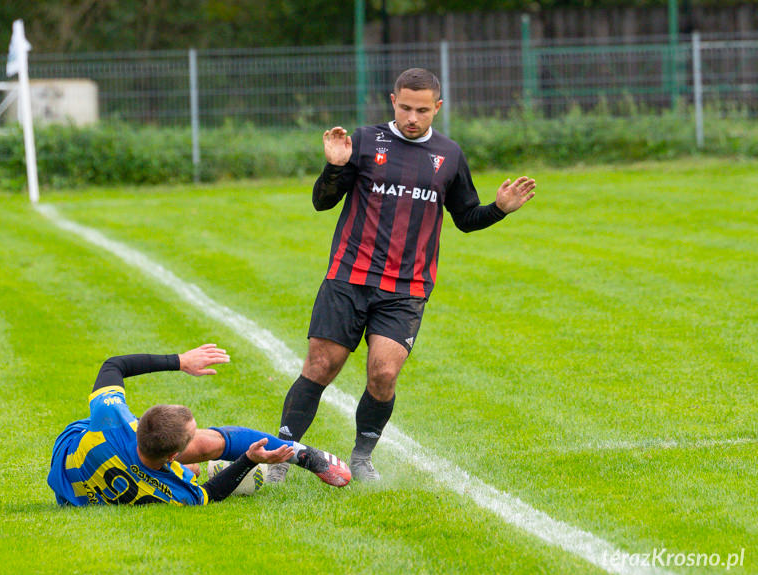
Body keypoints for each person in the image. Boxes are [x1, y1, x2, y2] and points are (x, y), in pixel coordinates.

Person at [268, 68, 536, 483]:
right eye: (406, 107)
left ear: (438, 109)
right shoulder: (364, 140)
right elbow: (323, 202)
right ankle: (281, 457)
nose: (413, 117)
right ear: (393, 101)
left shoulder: (449, 156)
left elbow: (465, 218)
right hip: (349, 276)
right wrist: (334, 167)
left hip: (407, 288)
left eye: (423, 110)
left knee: (384, 373)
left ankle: (361, 457)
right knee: (322, 365)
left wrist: (498, 209)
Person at [47, 344, 351, 507]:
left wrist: (180, 360)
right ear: (171, 458)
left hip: (72, 472)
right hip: (123, 467)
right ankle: (301, 453)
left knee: (194, 463)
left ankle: (295, 455)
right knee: (206, 447)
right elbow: (213, 492)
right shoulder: (173, 491)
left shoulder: (111, 419)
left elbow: (113, 365)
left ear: (138, 424)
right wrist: (249, 459)